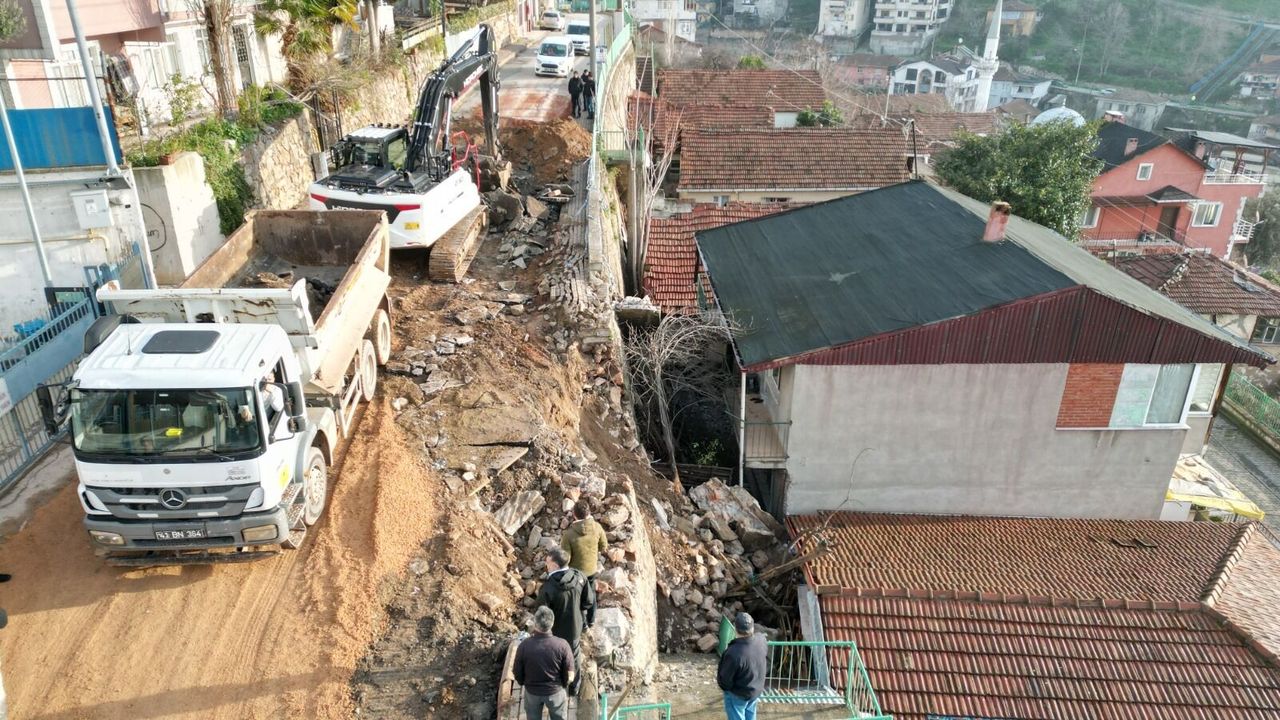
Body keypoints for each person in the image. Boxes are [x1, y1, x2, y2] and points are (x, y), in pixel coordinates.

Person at [536, 548, 589, 695]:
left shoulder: (548, 587)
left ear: (554, 565)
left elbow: (542, 613)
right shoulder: (580, 577)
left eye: (547, 562)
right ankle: (574, 687)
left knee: (555, 657)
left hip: (556, 631)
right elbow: (588, 602)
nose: (546, 565)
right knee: (574, 656)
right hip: (575, 627)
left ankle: (557, 686)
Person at [513, 606, 574, 720]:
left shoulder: (524, 646)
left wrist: (523, 683)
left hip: (532, 693)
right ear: (552, 623)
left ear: (535, 624)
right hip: (555, 693)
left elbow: (517, 671)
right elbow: (570, 674)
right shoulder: (563, 645)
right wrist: (563, 685)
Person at [560, 499, 607, 628]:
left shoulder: (568, 535)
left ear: (574, 515)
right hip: (591, 570)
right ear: (589, 513)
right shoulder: (597, 527)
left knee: (578, 598)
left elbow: (565, 559)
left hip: (576, 574)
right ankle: (591, 620)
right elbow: (604, 546)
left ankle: (583, 625)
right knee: (591, 594)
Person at [716, 612, 767, 720]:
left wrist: (727, 689)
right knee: (750, 715)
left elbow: (725, 681)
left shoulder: (733, 652)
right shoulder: (761, 640)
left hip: (738, 694)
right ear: (752, 627)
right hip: (755, 690)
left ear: (735, 629)